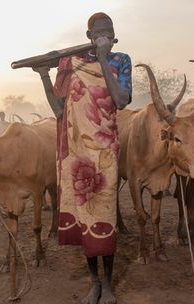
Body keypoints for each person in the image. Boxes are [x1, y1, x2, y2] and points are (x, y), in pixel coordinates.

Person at [33, 12, 131, 304]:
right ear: (88, 36)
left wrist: (102, 58)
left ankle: (110, 284)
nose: (105, 35)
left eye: (110, 31)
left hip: (105, 150)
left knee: (106, 215)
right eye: (99, 32)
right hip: (77, 152)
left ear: (114, 36)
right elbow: (59, 111)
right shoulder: (70, 64)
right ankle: (95, 282)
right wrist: (44, 75)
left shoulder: (120, 60)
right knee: (85, 213)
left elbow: (122, 101)